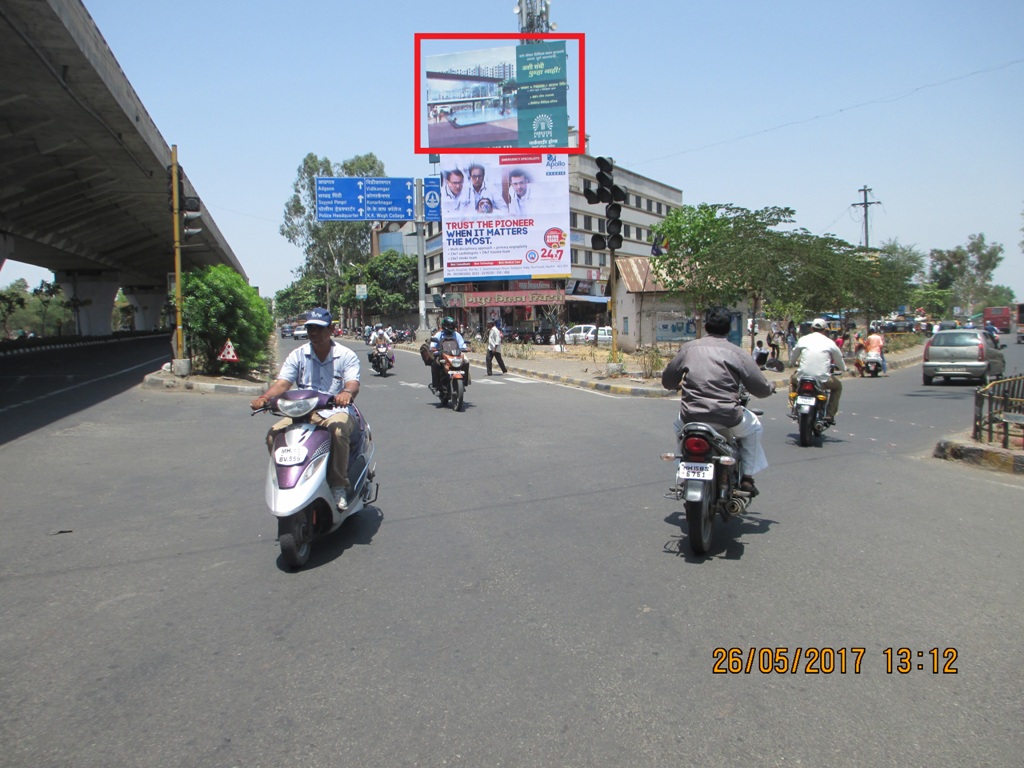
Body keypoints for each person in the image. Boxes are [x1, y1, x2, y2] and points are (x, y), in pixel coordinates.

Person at [250, 308, 360, 512]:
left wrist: (346, 393)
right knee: (273, 436)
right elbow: (283, 384)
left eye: (318, 328)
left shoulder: (346, 355)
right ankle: (286, 482)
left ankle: (338, 485)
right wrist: (265, 398)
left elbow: (353, 383)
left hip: (334, 411)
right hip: (301, 412)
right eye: (310, 328)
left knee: (338, 430)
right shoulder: (297, 355)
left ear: (330, 329)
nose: (313, 332)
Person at [661, 306, 776, 497]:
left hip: (691, 417)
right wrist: (770, 387)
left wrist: (678, 383)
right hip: (728, 417)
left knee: (678, 427)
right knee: (754, 427)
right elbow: (760, 389)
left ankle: (682, 472)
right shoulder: (738, 353)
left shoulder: (689, 349)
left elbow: (668, 381)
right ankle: (747, 478)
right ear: (728, 328)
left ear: (706, 325)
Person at [790, 318, 847, 424]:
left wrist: (791, 363)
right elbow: (838, 357)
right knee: (838, 386)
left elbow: (794, 355)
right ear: (825, 329)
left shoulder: (803, 339)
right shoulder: (829, 342)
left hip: (802, 377)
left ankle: (794, 405)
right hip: (822, 380)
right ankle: (830, 414)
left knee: (793, 380)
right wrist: (844, 368)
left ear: (811, 328)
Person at [429, 316, 470, 394]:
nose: (451, 327)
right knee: (435, 364)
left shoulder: (456, 335)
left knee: (466, 362)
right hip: (442, 355)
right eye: (449, 325)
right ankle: (436, 386)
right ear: (445, 326)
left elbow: (462, 345)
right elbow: (433, 345)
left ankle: (463, 382)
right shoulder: (439, 334)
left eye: (452, 325)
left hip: (455, 355)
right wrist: (434, 348)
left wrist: (466, 348)